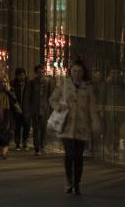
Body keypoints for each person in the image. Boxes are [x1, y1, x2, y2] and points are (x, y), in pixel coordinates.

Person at [51, 60, 100, 195]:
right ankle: (68, 180)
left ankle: (77, 183)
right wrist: (59, 107)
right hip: (66, 125)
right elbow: (52, 99)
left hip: (81, 126)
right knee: (69, 154)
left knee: (78, 156)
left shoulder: (88, 88)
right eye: (74, 71)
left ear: (83, 73)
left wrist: (95, 122)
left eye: (79, 71)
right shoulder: (64, 84)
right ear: (70, 71)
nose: (76, 74)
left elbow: (92, 107)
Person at [24, 64, 50, 155]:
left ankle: (43, 146)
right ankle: (37, 148)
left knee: (44, 129)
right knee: (36, 129)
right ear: (36, 73)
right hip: (34, 109)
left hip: (44, 109)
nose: (41, 74)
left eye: (43, 72)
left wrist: (50, 108)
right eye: (39, 72)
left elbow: (50, 96)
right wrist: (27, 110)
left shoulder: (47, 82)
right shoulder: (31, 83)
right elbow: (27, 97)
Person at [10, 68, 29, 150]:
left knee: (26, 126)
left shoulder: (28, 84)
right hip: (16, 109)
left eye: (22, 75)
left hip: (26, 109)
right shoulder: (13, 84)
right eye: (19, 75)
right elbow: (11, 97)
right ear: (16, 76)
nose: (21, 77)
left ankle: (25, 143)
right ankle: (17, 143)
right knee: (17, 127)